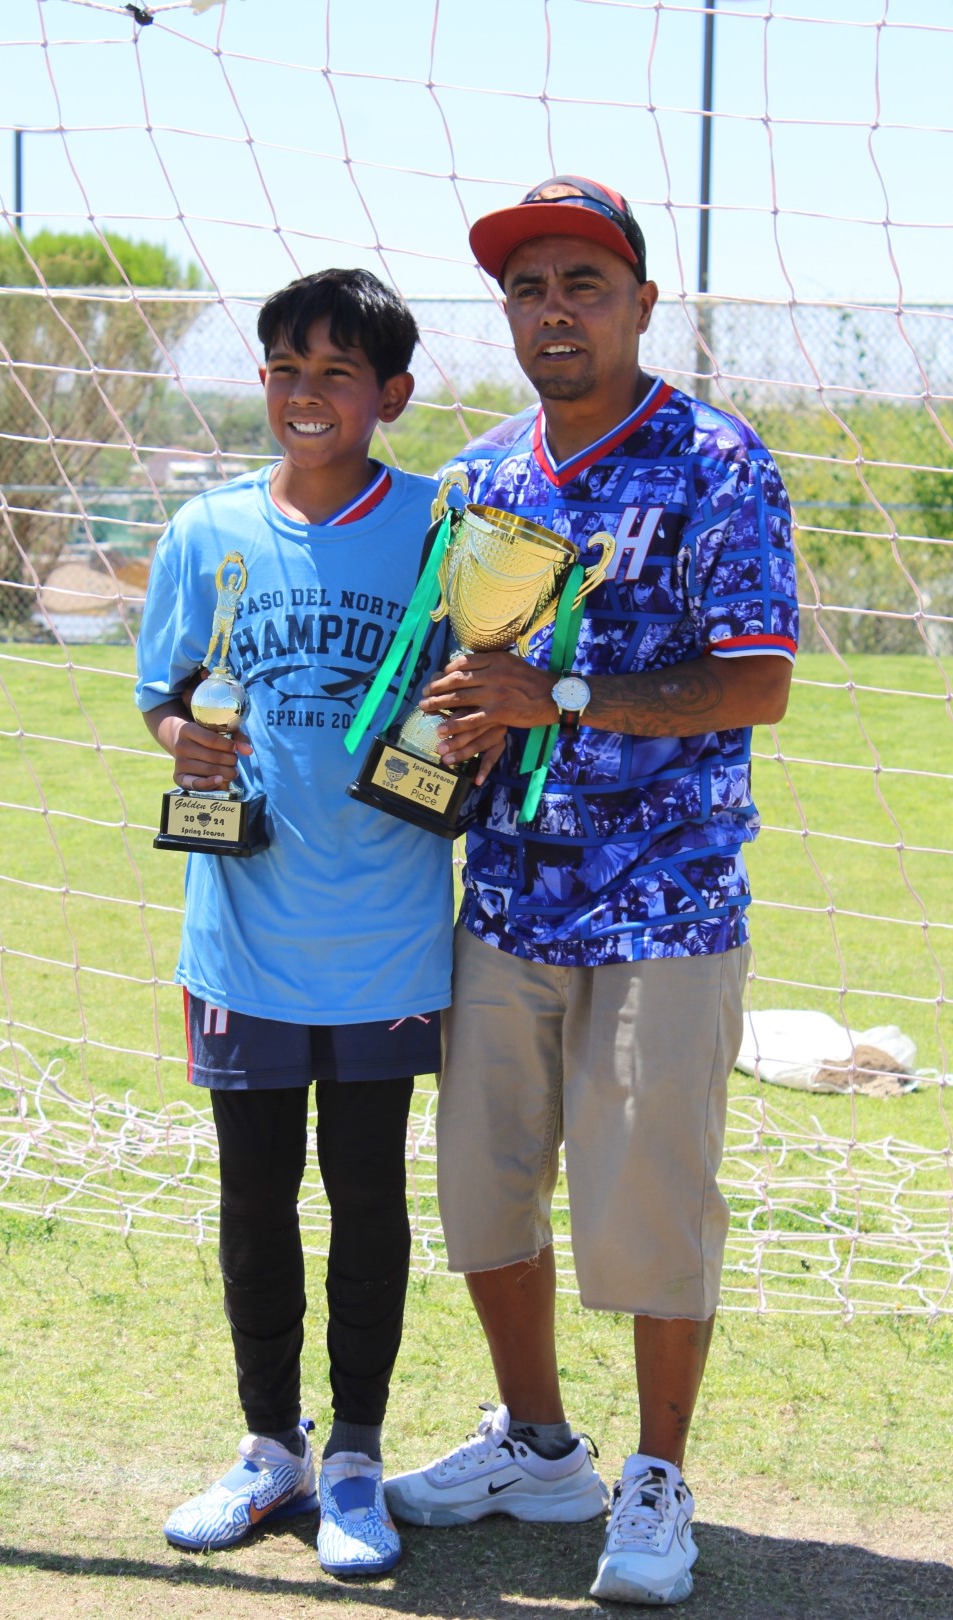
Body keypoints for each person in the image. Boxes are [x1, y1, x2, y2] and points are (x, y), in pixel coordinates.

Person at [385, 178, 798, 1607]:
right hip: (505, 897)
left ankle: (658, 1479)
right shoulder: (480, 479)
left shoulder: (717, 461)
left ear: (640, 302)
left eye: (583, 283)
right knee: (485, 1190)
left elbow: (758, 683)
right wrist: (455, 721)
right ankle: (540, 1445)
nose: (553, 311)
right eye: (528, 288)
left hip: (663, 908)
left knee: (650, 1205)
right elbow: (464, 669)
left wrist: (555, 696)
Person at [135, 268, 502, 1578]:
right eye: (287, 368)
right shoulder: (207, 530)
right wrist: (184, 742)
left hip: (386, 938)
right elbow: (164, 694)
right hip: (241, 937)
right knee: (253, 1197)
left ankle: (353, 1456)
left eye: (337, 372)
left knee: (366, 1196)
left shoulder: (444, 530)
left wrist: (473, 728)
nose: (307, 393)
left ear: (389, 394)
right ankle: (267, 1447)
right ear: (263, 380)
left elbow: (481, 691)